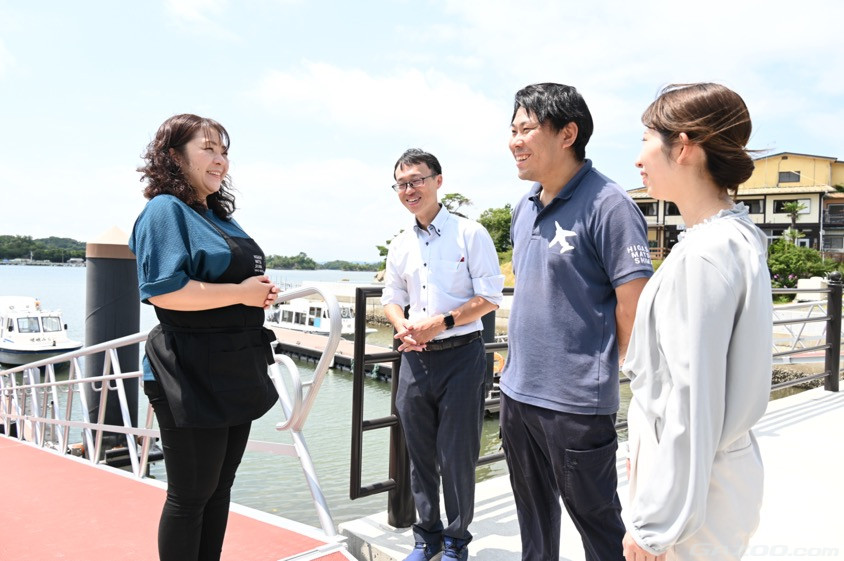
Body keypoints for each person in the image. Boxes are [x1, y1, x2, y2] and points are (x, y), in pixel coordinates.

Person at [500, 83, 653, 561]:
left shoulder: (610, 204)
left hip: (576, 406)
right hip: (517, 393)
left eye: (527, 129)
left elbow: (634, 305)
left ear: (568, 133)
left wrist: (596, 368)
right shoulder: (523, 207)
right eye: (512, 129)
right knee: (533, 522)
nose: (515, 141)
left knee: (599, 527)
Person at [621, 83, 772, 561]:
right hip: (711, 480)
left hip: (694, 500)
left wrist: (654, 525)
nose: (638, 159)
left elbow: (691, 402)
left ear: (683, 147)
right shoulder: (731, 237)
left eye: (646, 139)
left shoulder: (705, 253)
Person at [129, 114, 280, 561]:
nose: (220, 160)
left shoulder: (215, 214)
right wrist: (239, 292)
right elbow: (164, 292)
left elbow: (227, 283)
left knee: (219, 489)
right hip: (187, 368)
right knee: (190, 494)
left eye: (224, 151)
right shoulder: (165, 210)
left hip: (236, 363)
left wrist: (257, 295)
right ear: (174, 156)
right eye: (208, 148)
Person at [381, 148, 504, 561]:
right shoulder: (400, 244)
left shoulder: (471, 233)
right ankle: (425, 537)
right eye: (402, 183)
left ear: (438, 181)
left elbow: (489, 296)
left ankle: (456, 541)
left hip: (461, 356)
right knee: (419, 453)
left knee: (457, 455)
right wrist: (402, 327)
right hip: (415, 358)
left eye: (416, 180)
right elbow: (392, 297)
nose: (409, 189)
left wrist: (441, 323)